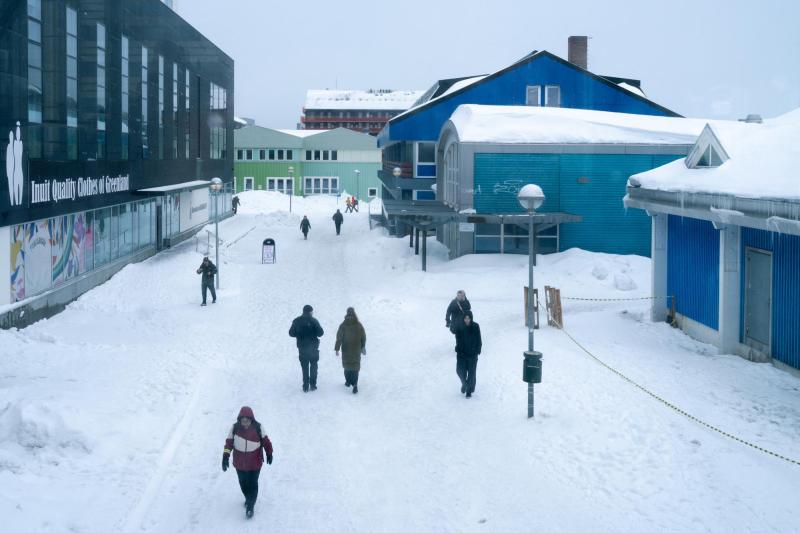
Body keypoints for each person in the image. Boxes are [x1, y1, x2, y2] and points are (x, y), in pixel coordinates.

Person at [222, 406, 273, 519]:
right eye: (243, 420)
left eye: (247, 420)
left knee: (253, 483)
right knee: (243, 483)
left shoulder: (258, 427)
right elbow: (229, 443)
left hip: (255, 463)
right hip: (240, 464)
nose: (245, 422)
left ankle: (250, 506)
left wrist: (269, 453)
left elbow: (266, 441)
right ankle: (248, 498)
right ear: (239, 419)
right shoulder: (235, 428)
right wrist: (225, 456)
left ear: (251, 419)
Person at [289, 304, 324, 392]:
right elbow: (321, 333)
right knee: (314, 366)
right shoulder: (314, 321)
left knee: (304, 367)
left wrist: (299, 333)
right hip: (313, 348)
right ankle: (313, 385)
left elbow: (291, 333)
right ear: (310, 312)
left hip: (302, 348)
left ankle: (305, 386)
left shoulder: (297, 321)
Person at [334, 307, 367, 394]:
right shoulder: (359, 325)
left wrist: (337, 348)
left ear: (347, 313)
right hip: (356, 349)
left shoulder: (343, 325)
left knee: (347, 366)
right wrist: (363, 346)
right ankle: (355, 383)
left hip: (346, 349)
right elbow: (363, 337)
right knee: (355, 366)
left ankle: (348, 382)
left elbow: (339, 338)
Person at [454, 311, 482, 398]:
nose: (467, 320)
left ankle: (468, 391)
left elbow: (479, 339)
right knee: (459, 371)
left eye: (468, 318)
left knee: (471, 374)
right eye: (465, 318)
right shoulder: (459, 327)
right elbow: (457, 340)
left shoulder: (475, 326)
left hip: (472, 354)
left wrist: (478, 350)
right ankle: (464, 384)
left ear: (471, 318)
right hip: (462, 354)